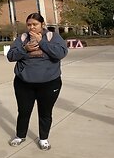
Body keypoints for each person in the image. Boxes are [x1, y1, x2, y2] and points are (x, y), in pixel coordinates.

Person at [6, 13, 68, 150]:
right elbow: (10, 56)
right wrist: (24, 49)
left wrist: (42, 42)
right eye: (29, 24)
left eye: (35, 24)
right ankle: (20, 135)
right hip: (24, 83)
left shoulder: (53, 37)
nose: (32, 27)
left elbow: (61, 53)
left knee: (45, 112)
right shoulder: (22, 38)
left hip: (49, 82)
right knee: (23, 111)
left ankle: (44, 138)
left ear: (42, 25)